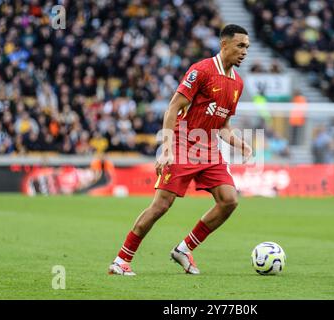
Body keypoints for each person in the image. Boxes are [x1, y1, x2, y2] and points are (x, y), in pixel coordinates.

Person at [108, 24, 252, 276]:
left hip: (209, 150)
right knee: (161, 206)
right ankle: (121, 260)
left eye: (247, 47)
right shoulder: (201, 71)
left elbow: (223, 125)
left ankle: (184, 249)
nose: (244, 52)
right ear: (224, 45)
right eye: (240, 46)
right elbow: (172, 108)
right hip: (181, 145)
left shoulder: (237, 83)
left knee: (229, 201)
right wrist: (165, 149)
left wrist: (239, 143)